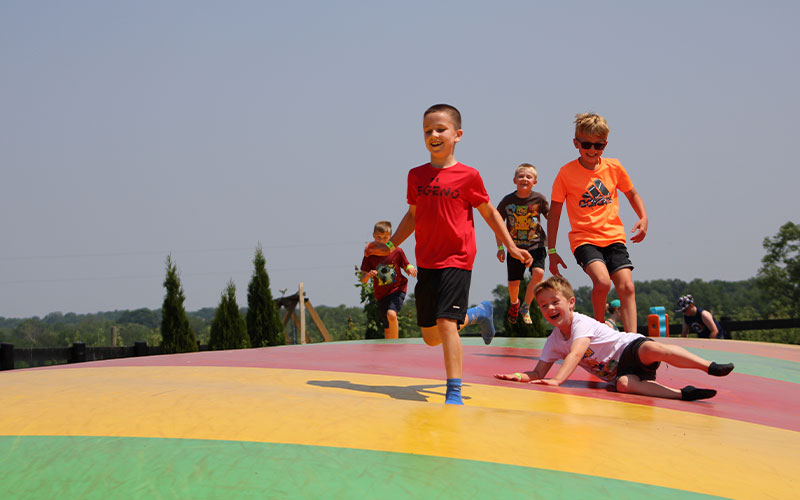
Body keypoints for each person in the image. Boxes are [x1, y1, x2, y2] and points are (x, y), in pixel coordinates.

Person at [365, 104, 532, 405]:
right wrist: (390, 248)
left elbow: (490, 213)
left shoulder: (469, 176)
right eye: (428, 130)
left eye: (441, 129)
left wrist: (510, 245)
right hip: (427, 260)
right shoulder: (416, 176)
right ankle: (478, 313)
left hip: (458, 257)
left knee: (445, 323)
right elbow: (413, 216)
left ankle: (453, 391)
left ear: (458, 135)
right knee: (431, 337)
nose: (434, 135)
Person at [495, 277, 735, 401]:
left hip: (628, 348)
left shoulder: (581, 323)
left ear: (570, 303)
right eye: (544, 306)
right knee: (623, 386)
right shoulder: (554, 341)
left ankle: (709, 367)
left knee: (654, 349)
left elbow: (577, 353)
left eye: (555, 302)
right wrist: (517, 376)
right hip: (621, 372)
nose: (550, 309)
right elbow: (537, 374)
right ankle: (683, 393)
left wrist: (557, 381)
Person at [547, 112, 648, 333]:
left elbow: (632, 194)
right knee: (603, 282)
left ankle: (632, 341)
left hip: (613, 237)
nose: (592, 150)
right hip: (585, 240)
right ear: (576, 143)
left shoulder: (614, 167)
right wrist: (552, 250)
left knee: (627, 286)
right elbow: (554, 213)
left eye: (598, 145)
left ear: (605, 144)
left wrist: (643, 217)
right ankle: (600, 330)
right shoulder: (566, 173)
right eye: (586, 144)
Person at [495, 163, 549, 325]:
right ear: (514, 180)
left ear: (535, 182)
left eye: (528, 177)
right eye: (521, 176)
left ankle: (526, 305)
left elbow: (551, 217)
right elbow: (497, 223)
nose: (524, 179)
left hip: (536, 244)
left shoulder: (539, 199)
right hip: (515, 247)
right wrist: (500, 248)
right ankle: (514, 303)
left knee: (538, 273)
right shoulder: (508, 200)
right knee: (514, 284)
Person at [360, 220, 417, 339]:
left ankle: (395, 344)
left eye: (385, 237)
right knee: (387, 329)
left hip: (397, 288)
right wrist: (368, 275)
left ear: (391, 237)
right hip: (381, 294)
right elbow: (363, 279)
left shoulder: (396, 251)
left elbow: (406, 264)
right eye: (379, 237)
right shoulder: (369, 255)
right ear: (373, 236)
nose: (382, 240)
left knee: (391, 314)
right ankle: (389, 349)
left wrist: (410, 268)